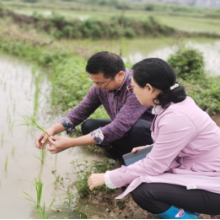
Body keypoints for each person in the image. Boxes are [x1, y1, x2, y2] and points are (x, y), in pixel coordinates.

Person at [88, 58, 220, 219]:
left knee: (144, 192)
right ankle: (190, 211)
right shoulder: (172, 105)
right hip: (200, 168)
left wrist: (108, 177)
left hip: (214, 182)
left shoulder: (176, 116)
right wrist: (151, 148)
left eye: (133, 87)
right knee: (138, 165)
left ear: (149, 88)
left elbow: (154, 165)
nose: (132, 91)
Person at [36, 52, 154, 160]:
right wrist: (52, 130)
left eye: (100, 83)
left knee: (139, 127)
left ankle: (144, 164)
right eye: (94, 82)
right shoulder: (100, 88)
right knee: (89, 126)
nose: (97, 87)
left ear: (119, 75)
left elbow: (119, 127)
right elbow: (80, 112)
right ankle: (123, 160)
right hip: (125, 132)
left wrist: (72, 142)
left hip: (150, 137)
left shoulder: (137, 87)